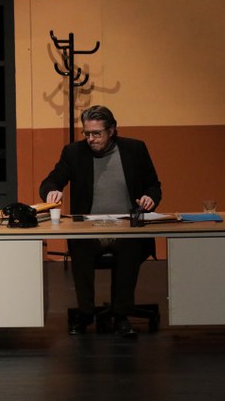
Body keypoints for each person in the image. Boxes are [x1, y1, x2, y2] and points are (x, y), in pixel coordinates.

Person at [39, 105, 162, 338]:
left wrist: (150, 197)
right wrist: (51, 191)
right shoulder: (74, 152)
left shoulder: (135, 149)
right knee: (80, 244)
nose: (91, 139)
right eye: (86, 133)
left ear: (112, 130)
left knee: (131, 245)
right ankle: (86, 313)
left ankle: (121, 315)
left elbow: (153, 186)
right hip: (90, 229)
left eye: (97, 133)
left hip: (126, 227)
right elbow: (51, 181)